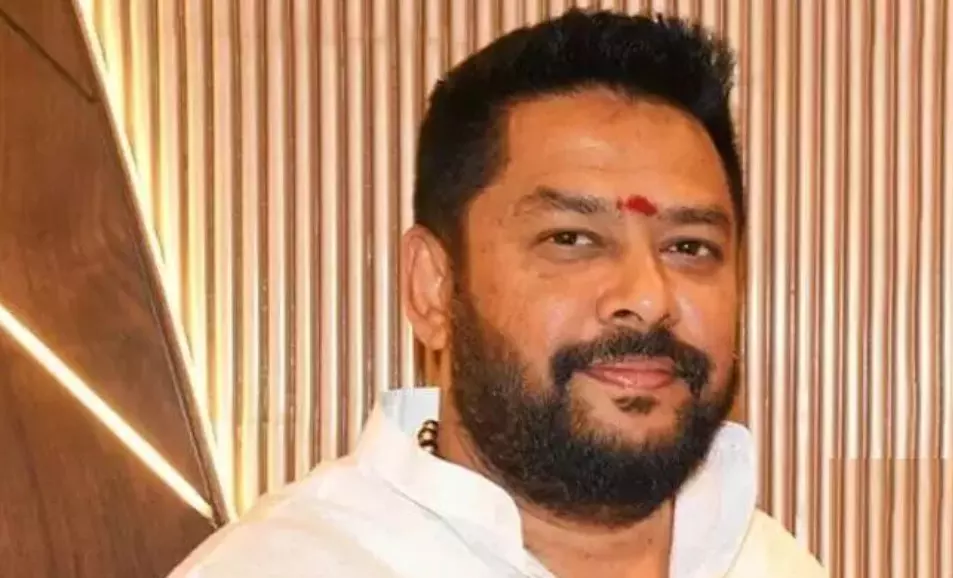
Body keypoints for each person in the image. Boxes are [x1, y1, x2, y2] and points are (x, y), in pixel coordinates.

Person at [169, 8, 827, 578]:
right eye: (571, 239)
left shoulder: (770, 562)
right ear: (432, 287)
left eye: (689, 247)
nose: (649, 297)